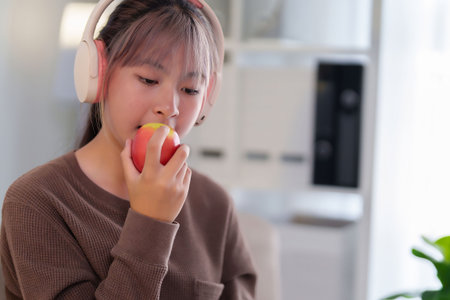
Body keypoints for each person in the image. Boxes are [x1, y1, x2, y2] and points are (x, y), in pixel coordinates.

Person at [0, 0, 257, 299]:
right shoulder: (37, 202)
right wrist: (151, 223)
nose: (169, 107)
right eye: (149, 79)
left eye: (190, 90)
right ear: (98, 73)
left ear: (208, 97)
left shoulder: (215, 205)